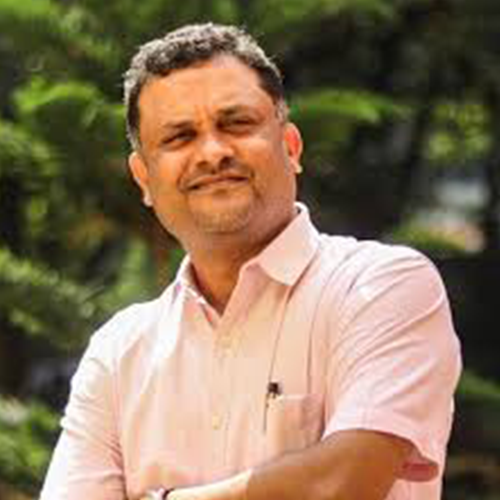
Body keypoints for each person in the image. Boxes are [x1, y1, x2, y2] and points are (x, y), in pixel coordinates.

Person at [40, 23, 462, 500]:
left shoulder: (381, 288)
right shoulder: (119, 353)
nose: (213, 152)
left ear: (291, 147)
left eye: (236, 123)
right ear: (143, 179)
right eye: (179, 137)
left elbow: (342, 483)